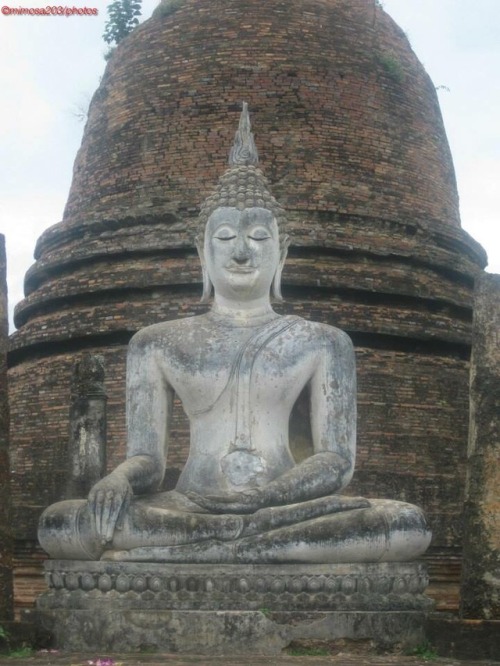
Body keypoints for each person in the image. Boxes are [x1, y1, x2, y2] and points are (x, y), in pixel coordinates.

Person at [38, 104, 431, 563]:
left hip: (286, 506)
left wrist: (267, 497)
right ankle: (256, 550)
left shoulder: (324, 342)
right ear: (201, 252)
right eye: (225, 237)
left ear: (282, 254)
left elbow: (336, 462)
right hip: (189, 505)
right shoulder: (156, 342)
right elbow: (150, 460)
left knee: (405, 523)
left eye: (260, 238)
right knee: (61, 522)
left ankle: (183, 554)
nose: (242, 252)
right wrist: (118, 480)